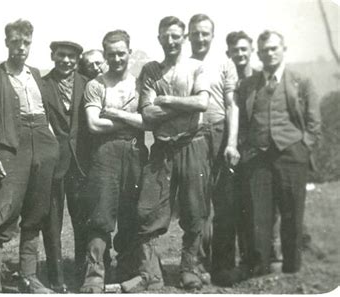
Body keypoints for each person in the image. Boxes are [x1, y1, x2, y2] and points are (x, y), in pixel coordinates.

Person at [121, 16, 212, 292]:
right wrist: (184, 106)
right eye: (165, 36)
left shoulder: (197, 67)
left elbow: (202, 102)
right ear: (159, 39)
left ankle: (189, 269)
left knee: (195, 210)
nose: (170, 41)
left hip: (192, 143)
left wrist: (168, 100)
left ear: (184, 38)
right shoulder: (151, 70)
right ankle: (150, 273)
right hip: (162, 149)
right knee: (147, 210)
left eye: (175, 36)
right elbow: (147, 113)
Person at [231, 30, 321, 284]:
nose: (269, 53)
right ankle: (260, 268)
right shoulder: (249, 84)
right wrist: (246, 146)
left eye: (274, 48)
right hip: (258, 157)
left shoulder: (300, 80)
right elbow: (244, 119)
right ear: (257, 54)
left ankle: (292, 267)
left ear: (283, 49)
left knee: (292, 211)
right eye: (264, 50)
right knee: (260, 214)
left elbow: (314, 122)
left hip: (292, 155)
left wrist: (304, 147)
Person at [0, 19, 59, 293]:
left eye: (26, 42)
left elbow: (46, 114)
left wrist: (52, 145)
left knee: (36, 213)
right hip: (10, 148)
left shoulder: (36, 74)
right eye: (16, 42)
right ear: (7, 43)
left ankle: (29, 277)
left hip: (43, 146)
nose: (21, 47)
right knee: (2, 212)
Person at [79, 29, 148, 293]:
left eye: (121, 53)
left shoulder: (140, 84)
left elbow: (148, 121)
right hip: (105, 153)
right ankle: (95, 274)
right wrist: (129, 120)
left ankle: (129, 269)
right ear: (105, 55)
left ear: (129, 53)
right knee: (101, 214)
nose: (117, 58)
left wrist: (115, 113)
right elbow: (94, 124)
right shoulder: (96, 84)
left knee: (132, 212)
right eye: (111, 54)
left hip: (134, 152)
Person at [186, 14, 240, 278]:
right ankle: (198, 262)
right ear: (188, 35)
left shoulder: (225, 63)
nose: (200, 38)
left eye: (205, 33)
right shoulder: (183, 64)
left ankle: (223, 265)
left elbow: (232, 104)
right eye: (195, 33)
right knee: (197, 202)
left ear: (212, 35)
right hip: (193, 135)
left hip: (219, 132)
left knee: (223, 200)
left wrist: (231, 142)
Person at [40, 40, 89, 292]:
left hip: (81, 164)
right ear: (52, 56)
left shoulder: (88, 82)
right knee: (52, 224)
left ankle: (81, 276)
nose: (66, 60)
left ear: (78, 59)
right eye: (61, 55)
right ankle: (56, 279)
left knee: (82, 222)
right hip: (53, 163)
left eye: (71, 56)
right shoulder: (41, 84)